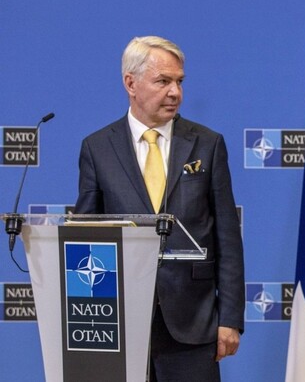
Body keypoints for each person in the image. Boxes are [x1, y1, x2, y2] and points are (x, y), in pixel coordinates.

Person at [75, 36, 245, 382]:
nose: (175, 93)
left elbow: (227, 237)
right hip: (120, 324)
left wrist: (229, 318)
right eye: (163, 81)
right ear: (130, 83)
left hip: (193, 322)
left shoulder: (208, 144)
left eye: (179, 82)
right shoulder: (97, 148)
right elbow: (85, 240)